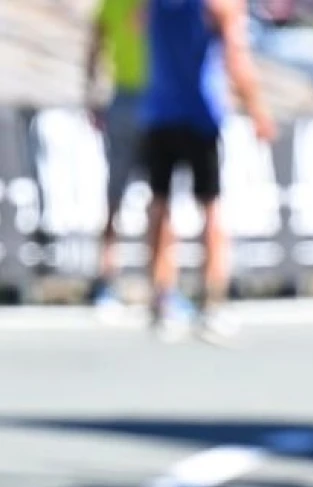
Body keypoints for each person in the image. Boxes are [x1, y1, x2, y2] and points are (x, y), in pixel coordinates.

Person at [141, 0, 275, 341]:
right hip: (201, 113)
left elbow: (136, 25)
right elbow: (236, 56)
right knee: (211, 207)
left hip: (160, 109)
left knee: (160, 204)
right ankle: (212, 302)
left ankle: (162, 297)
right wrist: (257, 109)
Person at [85, 0, 148, 313]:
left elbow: (93, 49)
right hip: (151, 100)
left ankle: (107, 279)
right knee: (157, 199)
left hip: (123, 100)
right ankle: (161, 284)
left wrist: (91, 95)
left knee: (115, 196)